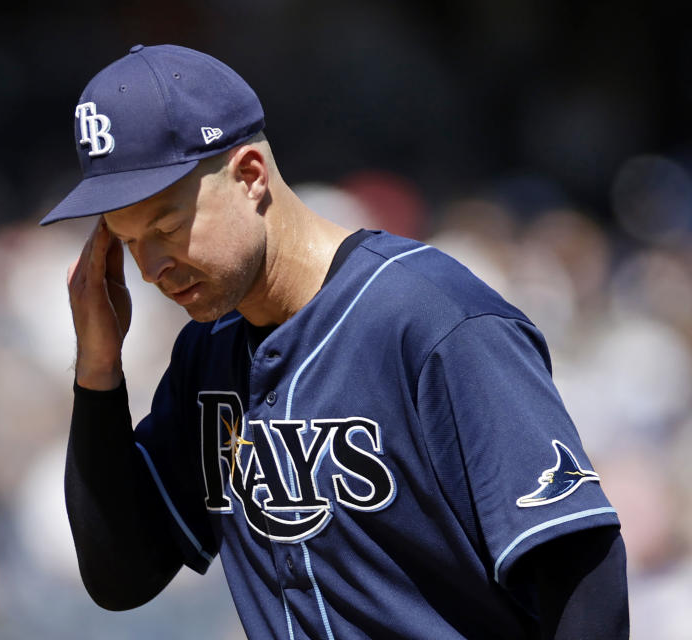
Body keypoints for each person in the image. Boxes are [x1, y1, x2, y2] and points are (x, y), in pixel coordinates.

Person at [41, 44, 629, 639]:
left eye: (167, 227)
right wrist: (97, 368)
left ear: (249, 176)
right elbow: (121, 576)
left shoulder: (432, 319)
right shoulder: (209, 352)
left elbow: (582, 573)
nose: (150, 267)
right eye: (129, 238)